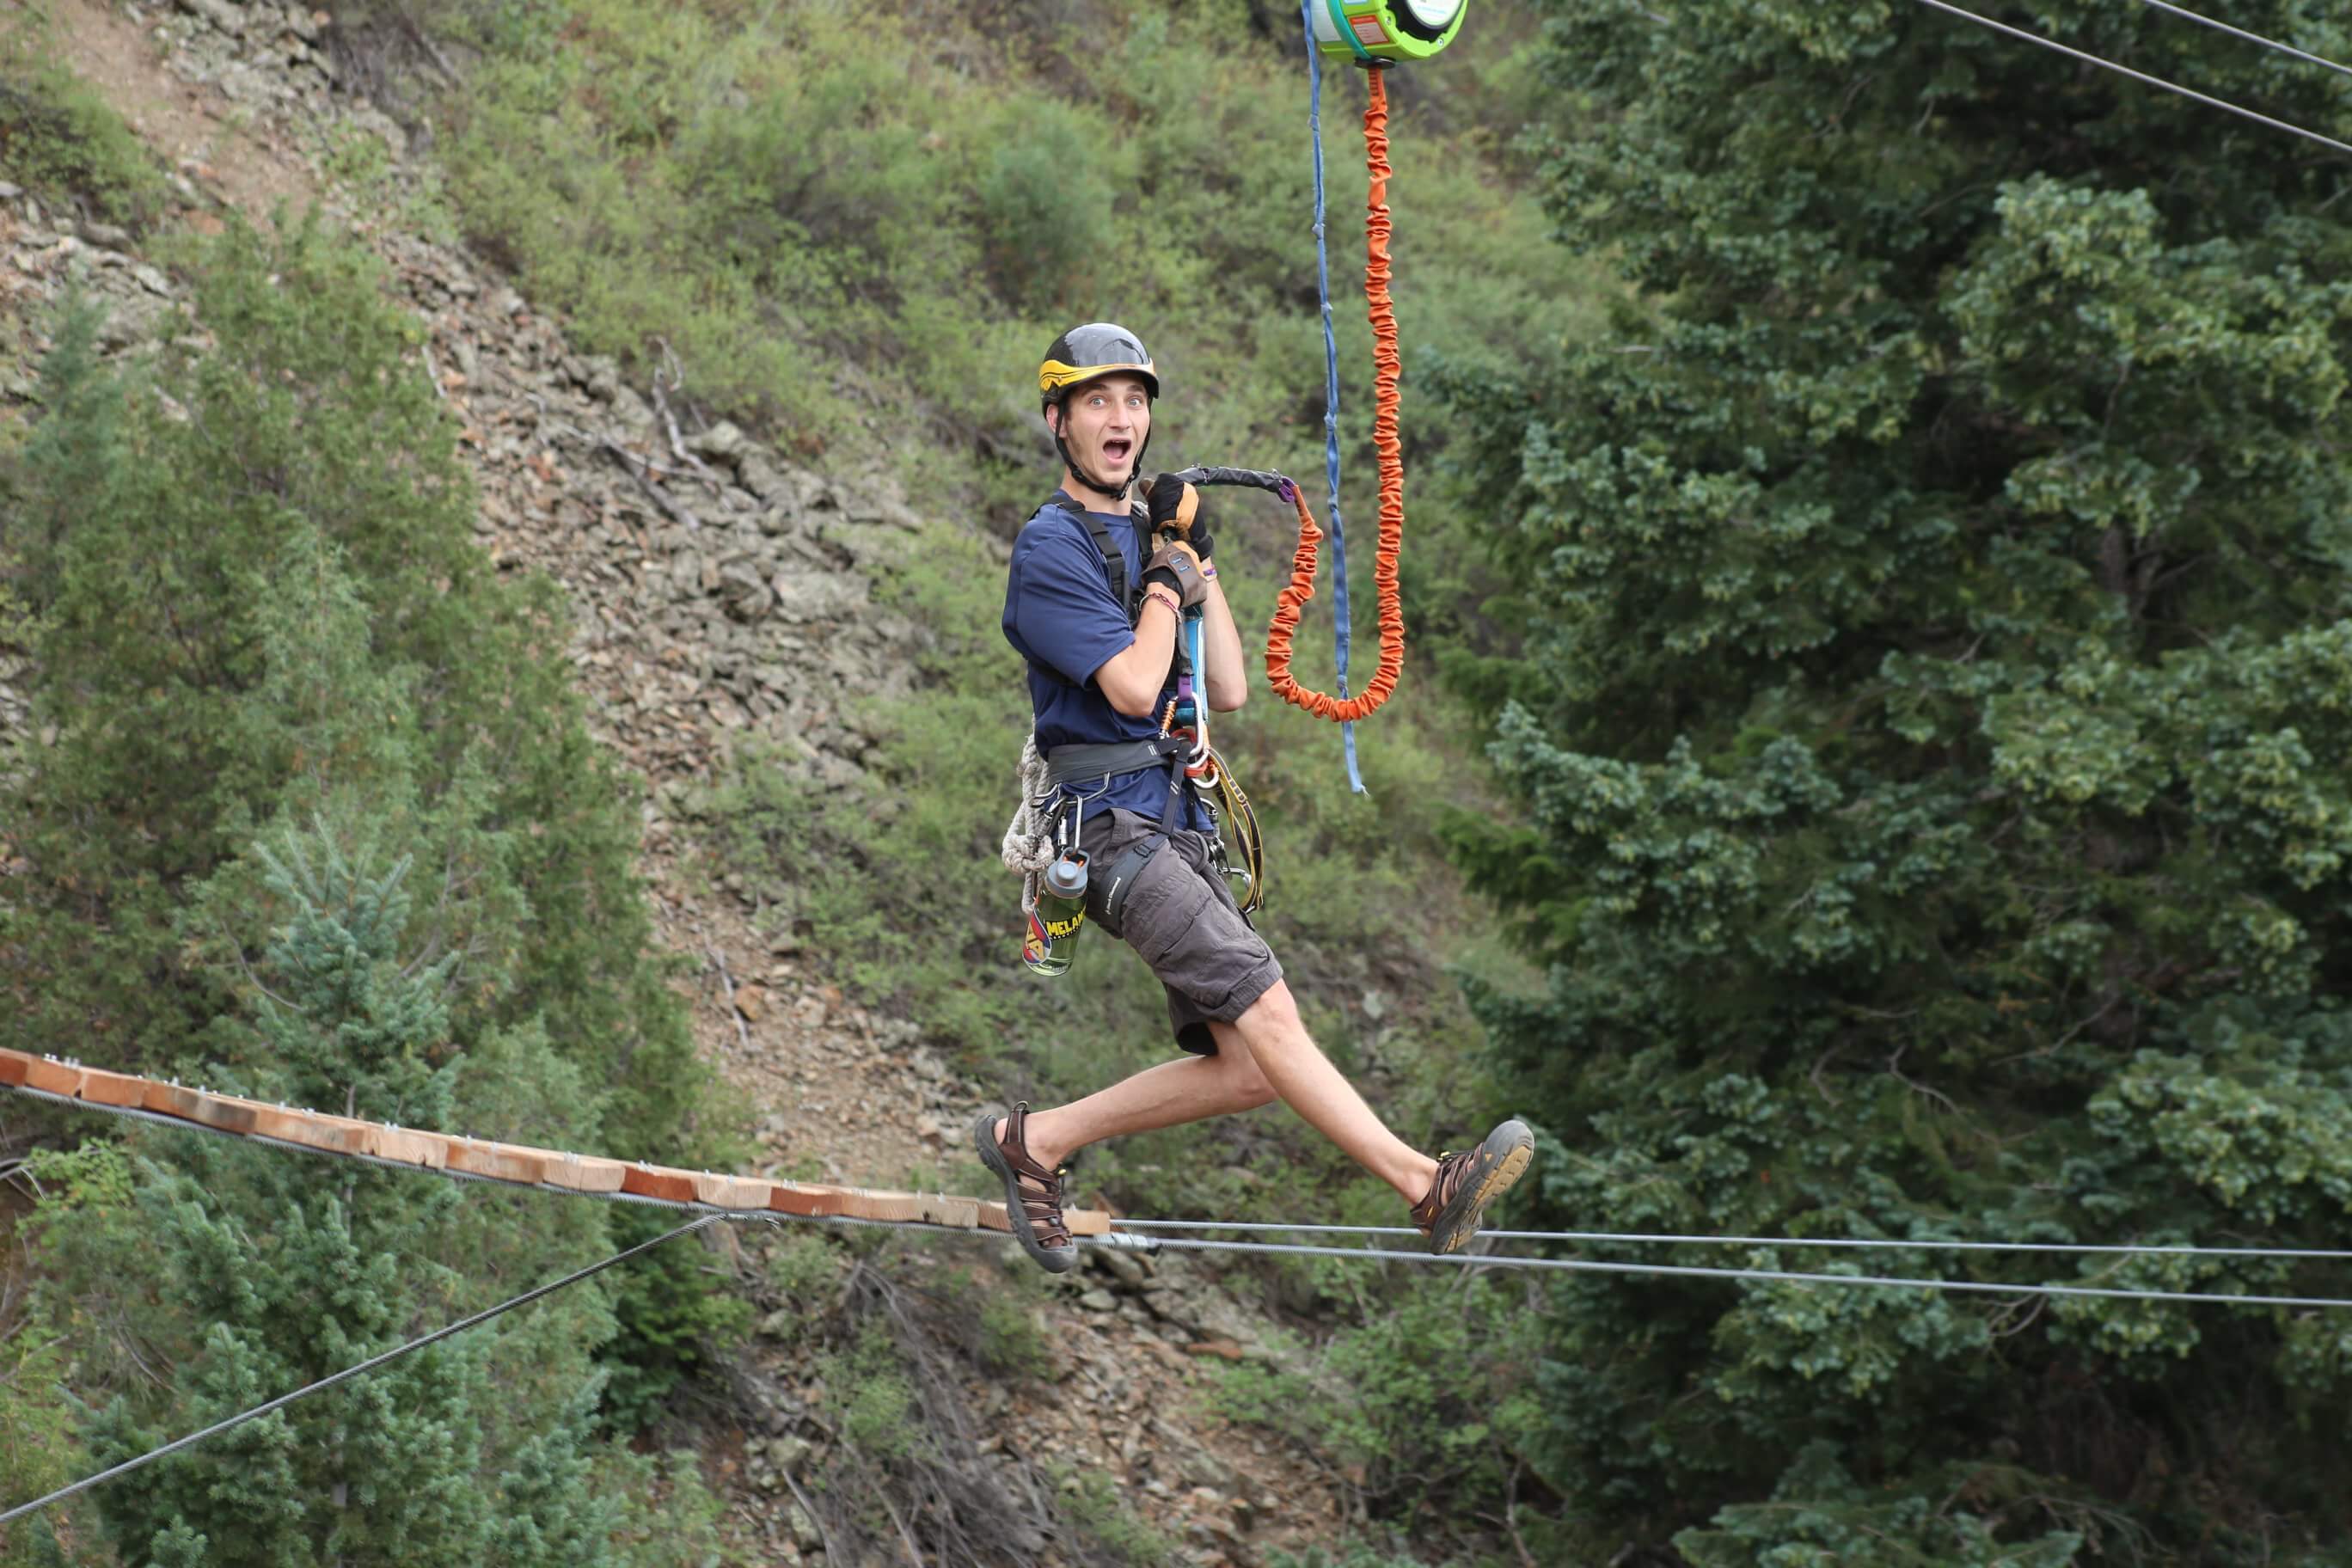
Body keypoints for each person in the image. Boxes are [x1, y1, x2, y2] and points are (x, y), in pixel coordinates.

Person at [980, 322, 1532, 1272]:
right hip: (1111, 825)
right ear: (1057, 421)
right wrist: (1165, 575)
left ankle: (1039, 1139)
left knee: (1245, 1068)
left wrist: (1199, 557)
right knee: (1269, 1012)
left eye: (1136, 401)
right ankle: (1422, 1186)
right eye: (1099, 402)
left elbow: (1226, 684)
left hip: (1178, 824)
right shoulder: (1049, 548)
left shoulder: (1147, 538)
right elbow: (1128, 687)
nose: (1122, 419)